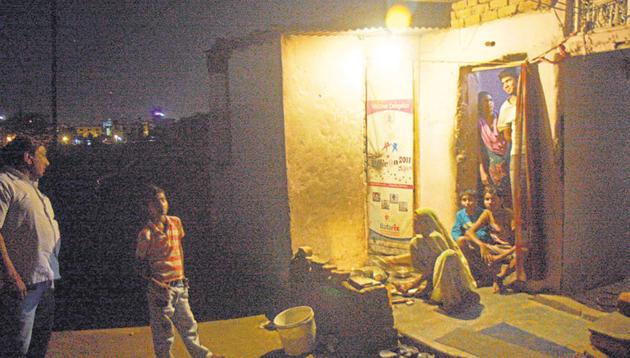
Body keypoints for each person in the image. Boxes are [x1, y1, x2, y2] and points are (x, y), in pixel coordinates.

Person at [136, 185, 223, 358]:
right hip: (161, 292)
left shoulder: (175, 223)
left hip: (180, 286)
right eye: (155, 202)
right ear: (147, 207)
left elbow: (179, 249)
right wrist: (156, 285)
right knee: (163, 333)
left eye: (163, 199)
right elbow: (139, 266)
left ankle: (202, 356)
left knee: (189, 325)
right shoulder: (146, 234)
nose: (161, 204)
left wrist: (182, 275)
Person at [0, 136, 61, 358]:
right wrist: (11, 274)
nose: (47, 162)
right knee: (17, 348)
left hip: (45, 282)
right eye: (42, 156)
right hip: (23, 285)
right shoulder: (6, 184)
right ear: (28, 158)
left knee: (38, 345)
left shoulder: (35, 191)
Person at [382, 209, 478, 313]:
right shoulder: (418, 242)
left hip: (450, 281)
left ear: (426, 223)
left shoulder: (435, 237)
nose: (413, 225)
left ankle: (451, 301)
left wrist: (411, 284)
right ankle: (430, 288)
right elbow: (423, 266)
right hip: (433, 277)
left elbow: (435, 267)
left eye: (417, 222)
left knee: (447, 257)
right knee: (414, 243)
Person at [459, 186, 516, 292]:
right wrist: (481, 245)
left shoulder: (508, 214)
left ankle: (500, 277)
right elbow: (469, 232)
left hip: (510, 249)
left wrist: (499, 257)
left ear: (501, 200)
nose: (490, 202)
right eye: (487, 199)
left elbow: (521, 241)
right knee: (462, 241)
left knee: (523, 251)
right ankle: (490, 275)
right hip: (495, 248)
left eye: (493, 199)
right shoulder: (487, 213)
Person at [477, 91, 510, 205]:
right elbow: (478, 149)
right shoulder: (479, 124)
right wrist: (482, 170)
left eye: (490, 100)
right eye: (485, 101)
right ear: (479, 105)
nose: (489, 103)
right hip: (491, 164)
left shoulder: (501, 118)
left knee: (510, 194)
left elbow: (509, 138)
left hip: (507, 158)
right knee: (495, 197)